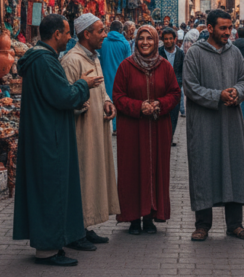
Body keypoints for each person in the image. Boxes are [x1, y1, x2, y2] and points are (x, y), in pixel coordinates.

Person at [13, 15, 103, 267]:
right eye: (65, 33)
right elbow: (63, 96)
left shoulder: (42, 59)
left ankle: (52, 244)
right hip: (49, 137)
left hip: (45, 131)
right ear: (55, 35)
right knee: (52, 190)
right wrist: (83, 85)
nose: (69, 38)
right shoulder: (45, 62)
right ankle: (47, 250)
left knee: (49, 189)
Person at [183, 9, 244, 242]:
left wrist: (238, 92)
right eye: (222, 28)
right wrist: (218, 95)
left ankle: (235, 224)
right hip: (204, 123)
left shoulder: (234, 53)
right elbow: (190, 87)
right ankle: (202, 224)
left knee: (233, 168)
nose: (228, 32)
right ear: (209, 28)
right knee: (204, 168)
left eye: (229, 27)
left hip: (231, 122)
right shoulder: (194, 53)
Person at [113, 25, 181, 235]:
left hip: (158, 127)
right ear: (135, 41)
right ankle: (133, 218)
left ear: (155, 41)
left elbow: (175, 93)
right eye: (141, 38)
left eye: (149, 39)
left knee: (155, 169)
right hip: (132, 129)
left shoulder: (164, 67)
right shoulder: (126, 66)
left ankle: (150, 216)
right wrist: (138, 106)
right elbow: (118, 96)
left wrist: (160, 104)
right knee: (133, 170)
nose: (145, 42)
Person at [59, 14, 120, 249]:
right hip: (81, 131)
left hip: (96, 127)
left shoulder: (93, 57)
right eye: (100, 31)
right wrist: (78, 106)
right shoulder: (72, 61)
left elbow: (101, 88)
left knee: (92, 176)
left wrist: (107, 101)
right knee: (82, 178)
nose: (105, 35)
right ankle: (75, 232)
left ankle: (84, 226)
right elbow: (66, 97)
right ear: (86, 34)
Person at [100, 21, 131, 131]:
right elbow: (129, 62)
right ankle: (117, 125)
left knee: (106, 99)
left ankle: (109, 125)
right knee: (119, 100)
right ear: (121, 30)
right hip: (120, 77)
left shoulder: (103, 42)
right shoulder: (124, 43)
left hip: (105, 76)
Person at [160, 27, 184, 144]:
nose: (168, 41)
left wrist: (179, 84)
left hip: (175, 90)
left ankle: (170, 138)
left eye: (170, 38)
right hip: (161, 89)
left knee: (174, 115)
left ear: (175, 39)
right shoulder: (158, 52)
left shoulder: (181, 53)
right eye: (166, 39)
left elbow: (182, 71)